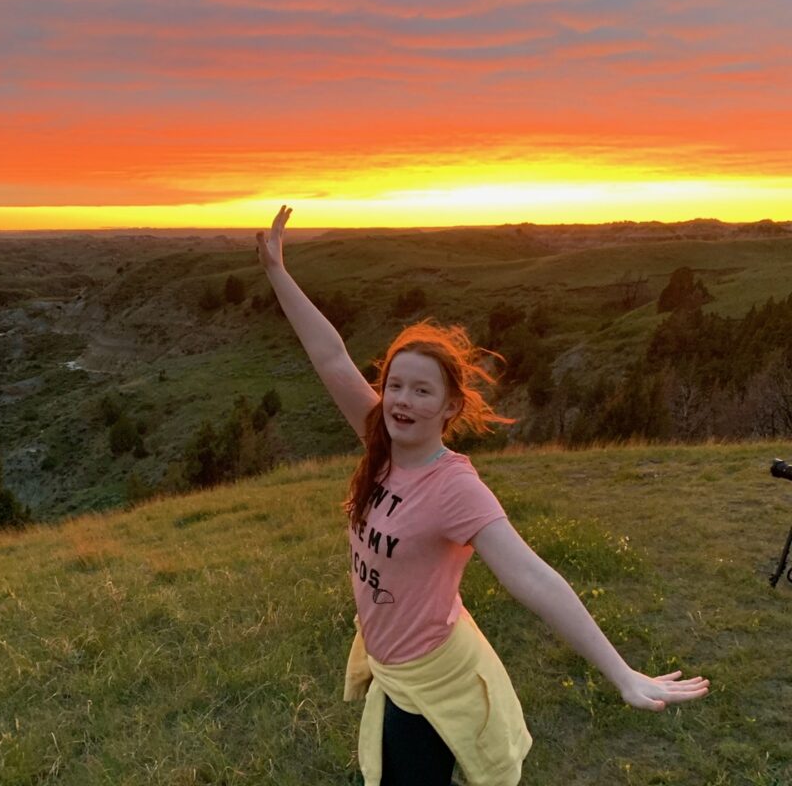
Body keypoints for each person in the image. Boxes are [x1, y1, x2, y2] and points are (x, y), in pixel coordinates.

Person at [256, 206, 709, 786]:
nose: (402, 399)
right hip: (395, 662)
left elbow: (532, 576)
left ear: (449, 407)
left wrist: (620, 673)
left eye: (423, 391)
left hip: (431, 678)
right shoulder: (381, 437)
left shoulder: (454, 487)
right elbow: (330, 355)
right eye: (395, 385)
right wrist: (277, 272)